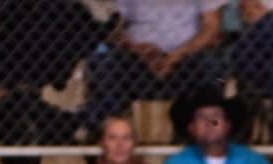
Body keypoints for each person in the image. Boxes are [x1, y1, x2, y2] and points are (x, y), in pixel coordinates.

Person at [83, 0, 225, 133]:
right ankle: (108, 132)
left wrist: (179, 54)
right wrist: (140, 50)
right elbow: (113, 28)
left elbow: (211, 25)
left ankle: (206, 132)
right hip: (136, 58)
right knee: (104, 60)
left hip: (187, 58)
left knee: (211, 63)